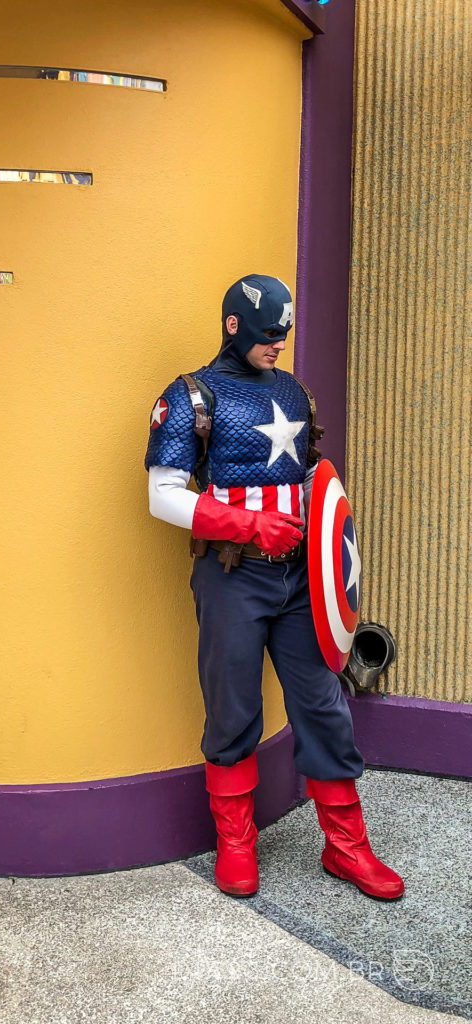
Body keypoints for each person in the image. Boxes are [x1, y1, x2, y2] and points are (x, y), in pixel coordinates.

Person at [145, 274, 404, 900]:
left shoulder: (293, 390)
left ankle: (347, 845)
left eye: (283, 336)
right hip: (231, 575)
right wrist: (248, 525)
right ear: (233, 325)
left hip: (299, 579)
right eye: (267, 335)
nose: (277, 345)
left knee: (322, 703)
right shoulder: (191, 396)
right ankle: (236, 843)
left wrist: (323, 545)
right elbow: (161, 495)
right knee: (232, 706)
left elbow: (312, 477)